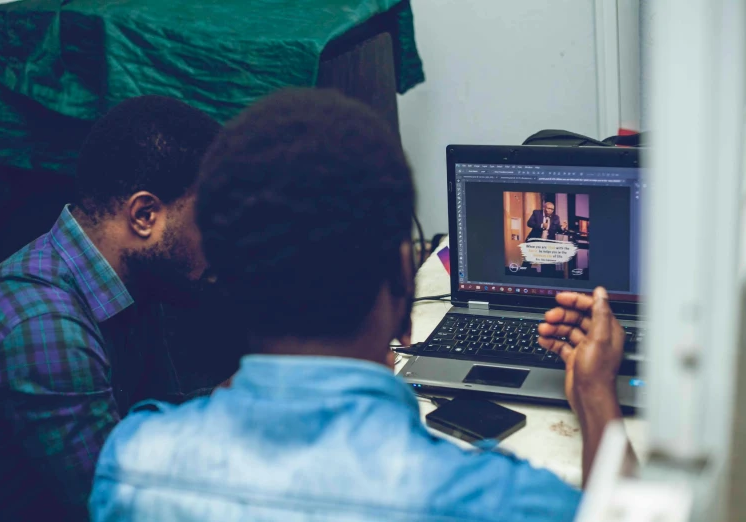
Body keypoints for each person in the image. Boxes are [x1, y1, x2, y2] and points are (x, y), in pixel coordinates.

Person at [90, 89, 635, 521]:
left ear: (228, 281)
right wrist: (596, 399)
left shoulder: (133, 463)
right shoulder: (504, 501)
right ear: (404, 277)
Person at [0, 95, 225, 521]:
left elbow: (148, 420)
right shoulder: (44, 327)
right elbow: (125, 510)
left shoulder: (131, 280)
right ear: (144, 215)